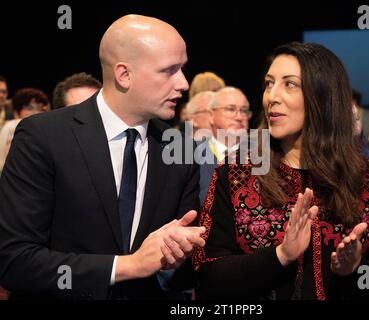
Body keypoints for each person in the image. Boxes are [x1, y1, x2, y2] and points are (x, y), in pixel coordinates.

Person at [0, 15, 205, 300]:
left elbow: (180, 276)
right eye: (169, 70)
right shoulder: (43, 137)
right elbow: (15, 261)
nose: (183, 83)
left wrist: (175, 259)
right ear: (124, 75)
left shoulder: (182, 150)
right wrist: (127, 266)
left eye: (182, 68)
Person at [193, 42, 369, 299]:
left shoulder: (365, 177)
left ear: (323, 95)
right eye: (269, 83)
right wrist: (281, 255)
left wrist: (355, 271)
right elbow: (210, 278)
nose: (272, 96)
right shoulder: (235, 176)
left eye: (289, 84)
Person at [198, 87, 251, 206]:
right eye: (230, 109)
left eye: (244, 111)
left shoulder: (261, 155)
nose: (239, 117)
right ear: (211, 116)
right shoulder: (191, 154)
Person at [0, 87, 50, 173]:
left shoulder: (43, 131)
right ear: (16, 113)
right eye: (30, 108)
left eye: (40, 109)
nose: (36, 112)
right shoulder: (12, 126)